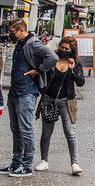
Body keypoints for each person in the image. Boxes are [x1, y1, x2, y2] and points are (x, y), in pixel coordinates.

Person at [2, 18, 57, 177]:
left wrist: (38, 70)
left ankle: (26, 165)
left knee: (25, 128)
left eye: (12, 32)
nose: (10, 35)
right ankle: (16, 163)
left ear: (20, 30)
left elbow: (52, 57)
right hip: (15, 90)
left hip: (27, 91)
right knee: (16, 129)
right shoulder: (21, 43)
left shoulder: (32, 43)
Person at [36, 36, 85, 176]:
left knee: (70, 132)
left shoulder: (75, 63)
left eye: (66, 49)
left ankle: (74, 163)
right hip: (49, 98)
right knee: (46, 132)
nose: (63, 50)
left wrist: (73, 69)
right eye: (62, 47)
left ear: (72, 50)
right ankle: (44, 160)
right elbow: (42, 71)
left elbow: (81, 82)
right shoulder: (52, 59)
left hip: (67, 100)